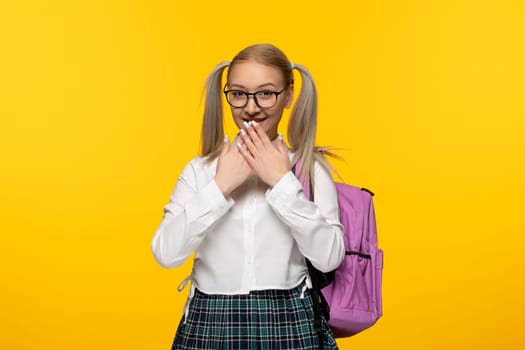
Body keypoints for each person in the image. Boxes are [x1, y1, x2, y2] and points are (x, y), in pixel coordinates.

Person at [151, 43, 345, 349]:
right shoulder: (200, 171)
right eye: (239, 93)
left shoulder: (309, 169)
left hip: (289, 319)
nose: (251, 107)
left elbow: (329, 257)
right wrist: (220, 187)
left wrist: (281, 184)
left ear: (289, 95)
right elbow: (166, 252)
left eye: (266, 93)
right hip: (210, 321)